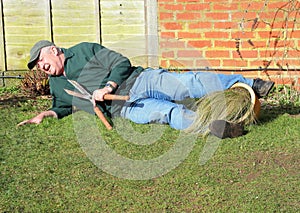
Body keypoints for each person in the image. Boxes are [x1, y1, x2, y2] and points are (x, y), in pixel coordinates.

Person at [18, 40, 274, 139]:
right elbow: (61, 107)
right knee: (167, 114)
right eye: (37, 65)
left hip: (140, 80)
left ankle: (252, 84)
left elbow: (120, 62)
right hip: (124, 108)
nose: (41, 66)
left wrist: (108, 86)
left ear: (54, 50)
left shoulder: (85, 50)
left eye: (41, 59)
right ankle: (214, 127)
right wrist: (45, 115)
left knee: (189, 83)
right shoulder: (56, 84)